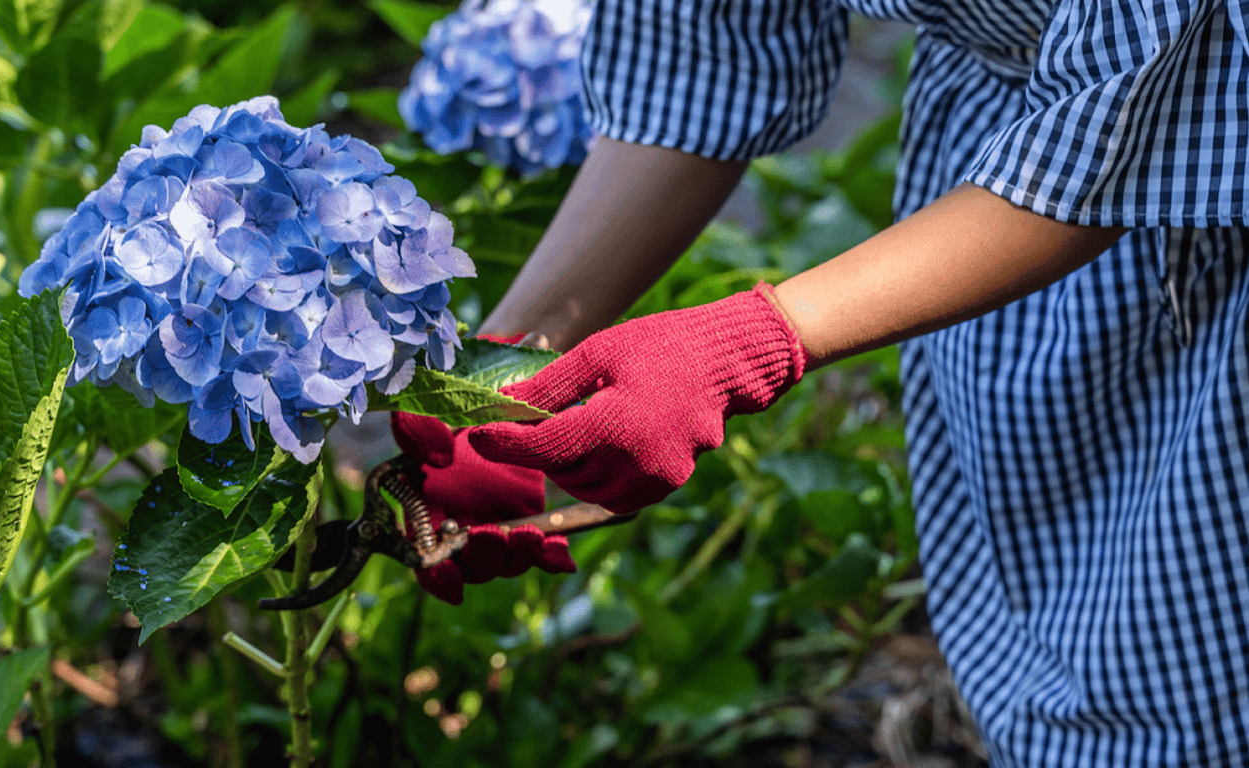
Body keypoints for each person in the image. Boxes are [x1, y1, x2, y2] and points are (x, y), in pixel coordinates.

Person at [394, 0, 1249, 764]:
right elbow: (705, 46)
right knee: (1058, 665)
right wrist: (509, 364)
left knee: (1178, 673)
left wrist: (748, 343)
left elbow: (1144, 106)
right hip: (988, 211)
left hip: (1179, 201)